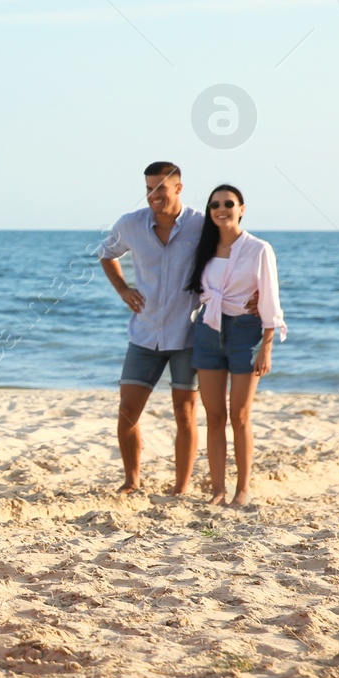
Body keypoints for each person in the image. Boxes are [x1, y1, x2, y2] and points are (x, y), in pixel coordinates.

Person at [97, 162, 205, 495]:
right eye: (148, 188)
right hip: (143, 334)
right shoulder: (130, 224)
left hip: (187, 335)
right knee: (128, 409)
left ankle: (181, 486)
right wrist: (123, 290)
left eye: (160, 188)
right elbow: (106, 254)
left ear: (178, 188)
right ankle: (131, 480)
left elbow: (229, 257)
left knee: (184, 413)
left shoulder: (201, 225)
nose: (153, 195)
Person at [187, 184, 285, 507]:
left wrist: (267, 346)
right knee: (214, 416)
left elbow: (270, 299)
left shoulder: (259, 249)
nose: (221, 208)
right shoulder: (202, 247)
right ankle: (218, 489)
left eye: (229, 203)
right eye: (215, 204)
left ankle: (242, 489)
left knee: (240, 414)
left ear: (241, 208)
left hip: (245, 331)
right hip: (207, 329)